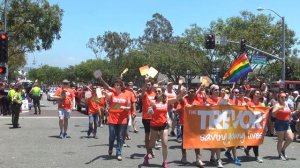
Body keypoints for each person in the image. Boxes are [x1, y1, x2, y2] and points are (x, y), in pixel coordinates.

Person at [143, 86, 184, 168]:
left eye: (159, 91)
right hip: (154, 125)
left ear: (162, 93)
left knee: (164, 144)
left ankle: (165, 161)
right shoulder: (153, 102)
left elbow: (176, 98)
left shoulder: (166, 101)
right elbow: (148, 113)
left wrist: (183, 92)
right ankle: (147, 155)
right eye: (156, 91)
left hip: (164, 125)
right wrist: (150, 112)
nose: (157, 93)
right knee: (152, 144)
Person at [99, 76, 130, 161]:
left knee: (120, 137)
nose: (117, 86)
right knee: (112, 136)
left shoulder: (126, 95)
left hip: (122, 119)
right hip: (112, 118)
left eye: (118, 85)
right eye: (116, 85)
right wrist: (104, 93)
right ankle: (110, 147)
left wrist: (124, 107)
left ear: (121, 86)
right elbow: (108, 95)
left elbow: (129, 107)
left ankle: (119, 153)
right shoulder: (112, 93)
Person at [177, 87, 205, 167]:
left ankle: (198, 159)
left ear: (194, 93)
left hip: (195, 125)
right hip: (185, 124)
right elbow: (179, 99)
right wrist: (182, 92)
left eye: (192, 91)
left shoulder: (198, 102)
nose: (190, 93)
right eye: (188, 92)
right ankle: (184, 157)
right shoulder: (184, 100)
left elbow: (203, 111)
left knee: (196, 141)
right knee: (184, 142)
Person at [272, 92, 297, 160]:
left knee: (290, 138)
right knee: (280, 140)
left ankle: (282, 150)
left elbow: (289, 113)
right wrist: (279, 108)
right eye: (282, 97)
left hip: (286, 123)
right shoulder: (277, 105)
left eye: (285, 97)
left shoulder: (286, 104)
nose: (284, 98)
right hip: (279, 123)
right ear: (279, 98)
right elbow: (273, 113)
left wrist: (295, 112)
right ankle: (280, 155)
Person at [244, 89, 265, 163]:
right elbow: (244, 113)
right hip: (250, 125)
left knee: (256, 140)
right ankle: (257, 156)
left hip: (258, 125)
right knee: (254, 140)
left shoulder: (261, 104)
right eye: (256, 93)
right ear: (253, 94)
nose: (258, 94)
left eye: (259, 93)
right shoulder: (249, 103)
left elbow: (264, 113)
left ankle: (247, 149)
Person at [206, 84, 223, 168]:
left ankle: (212, 157)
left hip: (221, 123)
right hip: (212, 124)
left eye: (218, 89)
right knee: (217, 142)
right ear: (211, 91)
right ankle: (219, 160)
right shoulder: (208, 100)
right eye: (215, 90)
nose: (217, 91)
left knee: (215, 143)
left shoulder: (221, 99)